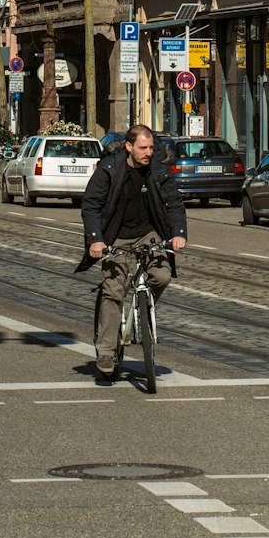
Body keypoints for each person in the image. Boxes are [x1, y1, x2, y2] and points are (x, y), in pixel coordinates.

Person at [75, 124, 187, 379]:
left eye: (151, 147)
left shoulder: (158, 170)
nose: (149, 152)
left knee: (162, 276)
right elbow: (91, 205)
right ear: (129, 147)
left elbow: (174, 203)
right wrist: (96, 241)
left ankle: (143, 309)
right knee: (113, 291)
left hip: (149, 234)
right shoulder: (110, 169)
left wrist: (178, 234)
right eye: (143, 148)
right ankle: (106, 351)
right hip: (117, 236)